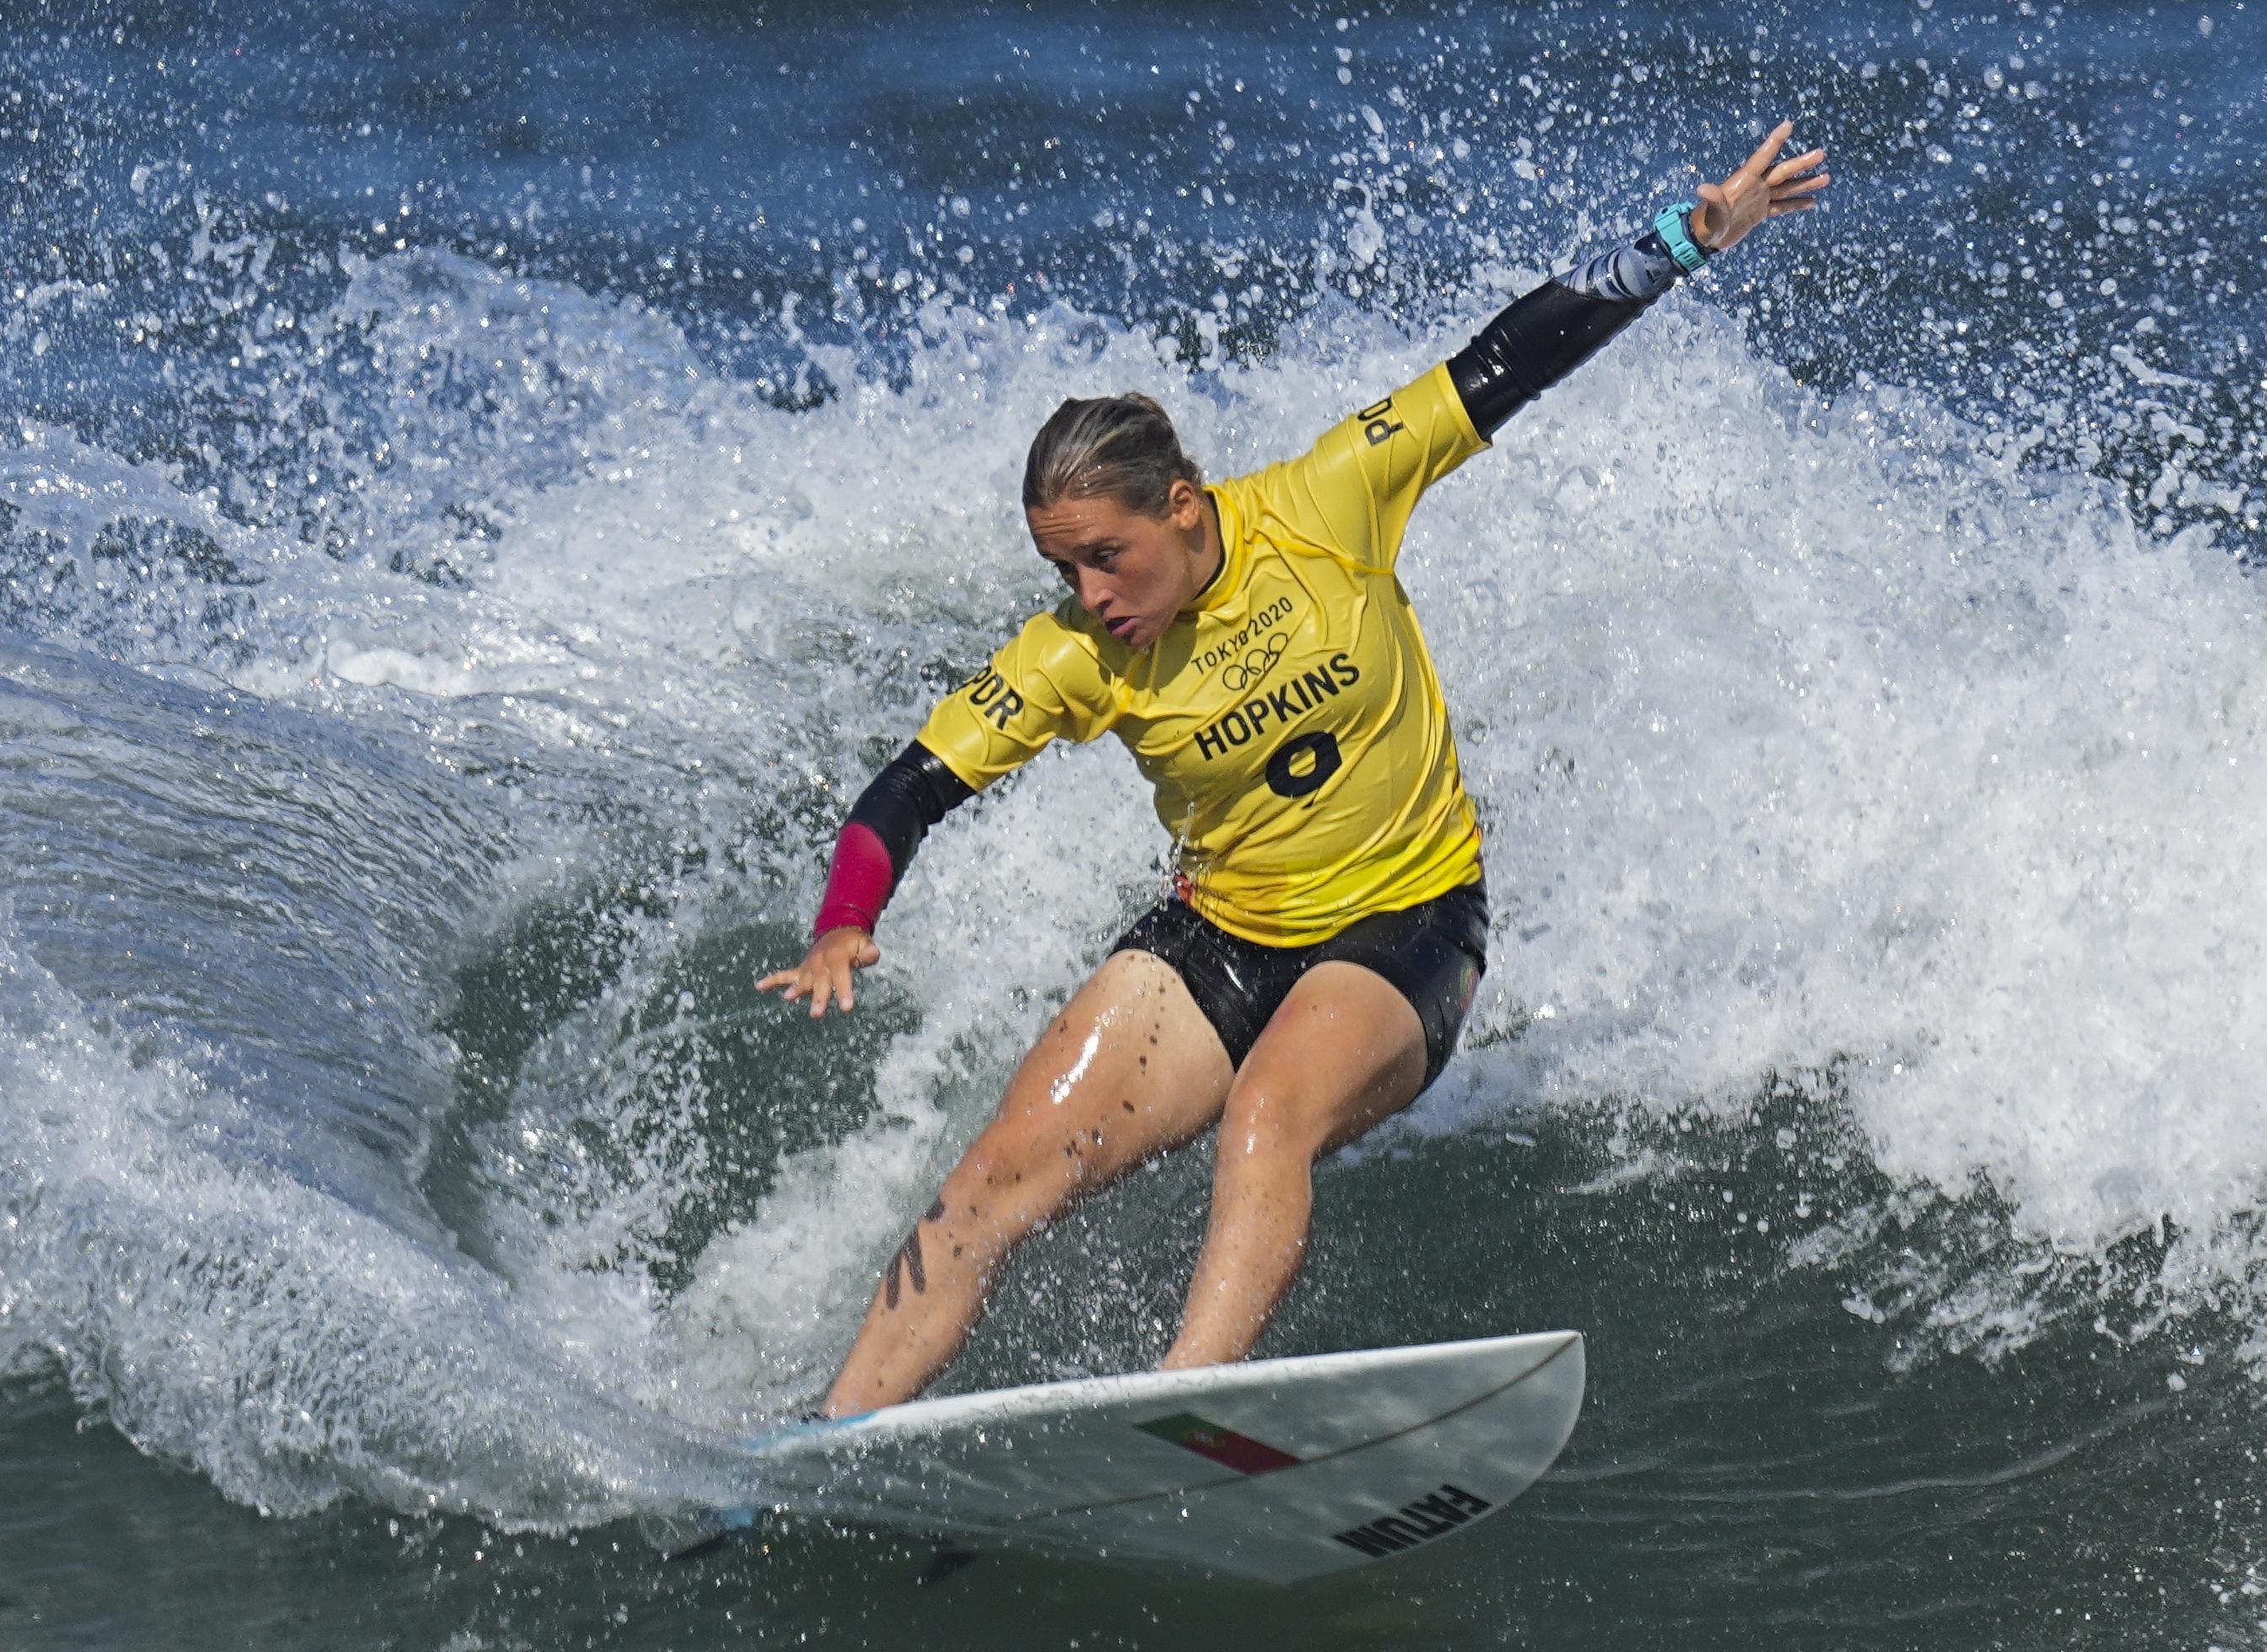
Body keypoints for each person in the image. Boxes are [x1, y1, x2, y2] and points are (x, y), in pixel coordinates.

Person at [758, 123, 1829, 1419]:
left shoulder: (1330, 500)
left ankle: (1174, 1413)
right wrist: (844, 919)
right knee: (992, 1180)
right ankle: (819, 1445)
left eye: (1106, 555)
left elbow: (1508, 357)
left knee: (1269, 1111)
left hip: (1407, 925)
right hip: (1224, 938)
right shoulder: (1074, 656)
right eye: (1062, 569)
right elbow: (907, 790)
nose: (1089, 595)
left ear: (1183, 505)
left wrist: (1689, 239)